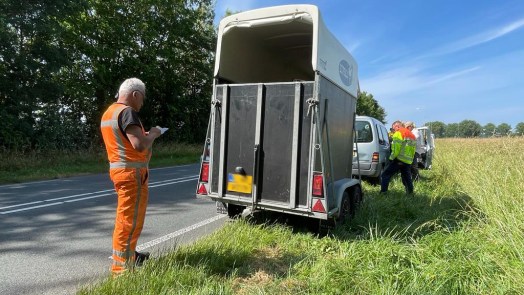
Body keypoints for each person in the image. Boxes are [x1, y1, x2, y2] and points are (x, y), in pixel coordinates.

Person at [100, 78, 163, 276]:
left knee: (127, 217)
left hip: (120, 171)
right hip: (132, 174)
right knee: (130, 221)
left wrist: (143, 134)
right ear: (135, 94)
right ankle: (121, 269)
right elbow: (139, 145)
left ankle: (130, 255)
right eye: (142, 99)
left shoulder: (110, 112)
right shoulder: (128, 112)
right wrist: (153, 133)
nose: (142, 104)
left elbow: (125, 141)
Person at [380, 120, 417, 194]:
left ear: (397, 126)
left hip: (399, 159)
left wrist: (391, 158)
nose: (393, 131)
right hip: (408, 161)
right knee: (407, 178)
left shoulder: (398, 133)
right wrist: (410, 160)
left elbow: (396, 149)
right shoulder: (412, 135)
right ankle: (410, 193)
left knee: (385, 174)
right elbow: (413, 150)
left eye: (393, 129)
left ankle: (383, 192)